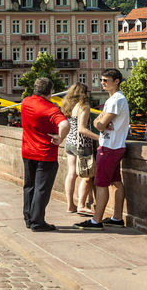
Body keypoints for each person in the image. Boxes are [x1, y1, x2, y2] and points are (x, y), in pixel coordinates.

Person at [75, 69, 130, 230]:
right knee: (116, 182)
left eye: (106, 80)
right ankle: (117, 217)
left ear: (117, 81)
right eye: (102, 80)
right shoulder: (116, 99)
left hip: (108, 147)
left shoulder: (115, 101)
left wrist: (99, 121)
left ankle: (96, 220)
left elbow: (99, 124)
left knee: (101, 184)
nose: (102, 83)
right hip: (116, 146)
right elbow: (100, 123)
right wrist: (100, 121)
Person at [21, 77, 70, 231]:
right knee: (41, 189)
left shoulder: (26, 102)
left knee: (29, 187)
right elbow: (64, 124)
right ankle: (37, 222)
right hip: (45, 154)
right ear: (50, 91)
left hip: (28, 151)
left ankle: (28, 218)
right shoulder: (50, 108)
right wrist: (60, 138)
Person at [61, 83, 98, 214]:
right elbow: (82, 129)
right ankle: (81, 205)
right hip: (82, 144)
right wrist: (99, 138)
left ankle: (70, 205)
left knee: (72, 173)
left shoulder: (68, 105)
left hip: (69, 142)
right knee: (87, 175)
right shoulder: (84, 106)